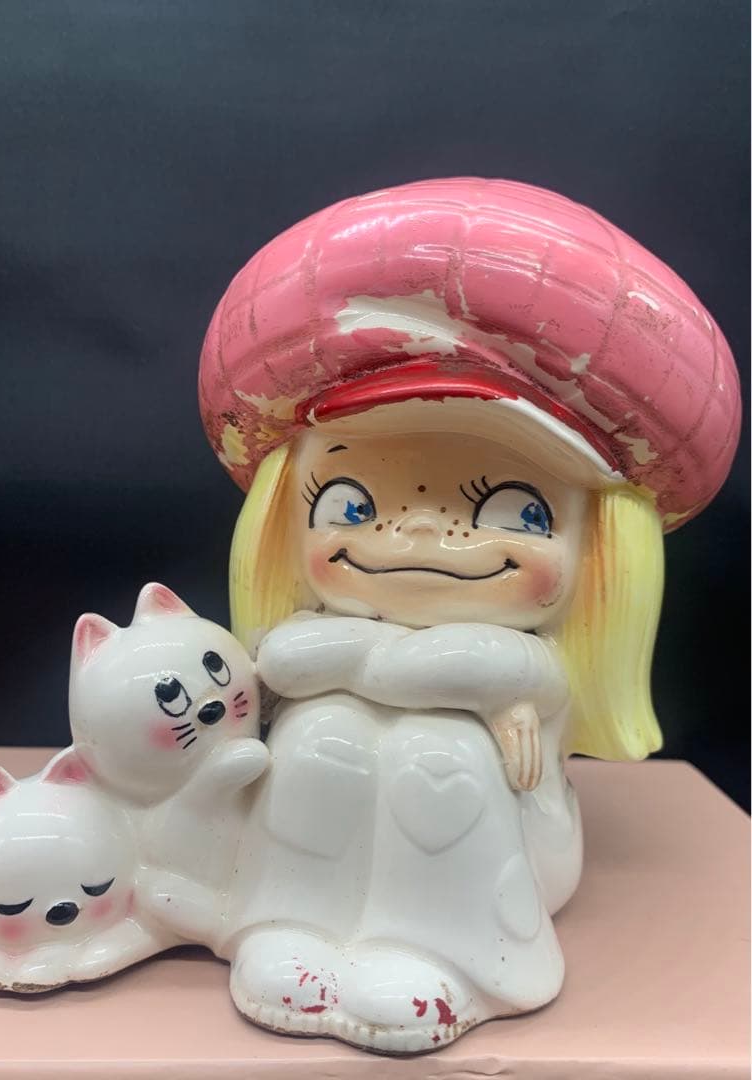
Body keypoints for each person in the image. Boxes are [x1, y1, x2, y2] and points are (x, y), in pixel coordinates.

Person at [198, 178, 740, 1053]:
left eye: (513, 509)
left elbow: (477, 670)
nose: (416, 530)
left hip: (510, 846)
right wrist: (393, 673)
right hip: (343, 781)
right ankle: (291, 924)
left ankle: (453, 955)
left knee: (438, 747)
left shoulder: (530, 665)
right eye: (347, 500)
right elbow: (293, 661)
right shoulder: (321, 640)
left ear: (597, 546)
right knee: (320, 734)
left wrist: (407, 676)